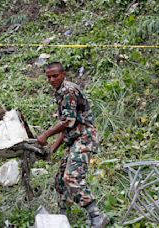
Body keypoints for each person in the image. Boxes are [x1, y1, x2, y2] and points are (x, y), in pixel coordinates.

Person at [37, 62, 109, 227]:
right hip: (75, 138)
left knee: (71, 177)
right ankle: (63, 218)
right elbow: (67, 127)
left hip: (84, 138)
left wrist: (45, 135)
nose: (52, 79)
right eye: (48, 77)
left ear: (63, 74)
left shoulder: (68, 91)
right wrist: (53, 149)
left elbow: (67, 122)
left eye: (55, 76)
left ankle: (96, 215)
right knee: (60, 181)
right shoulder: (60, 92)